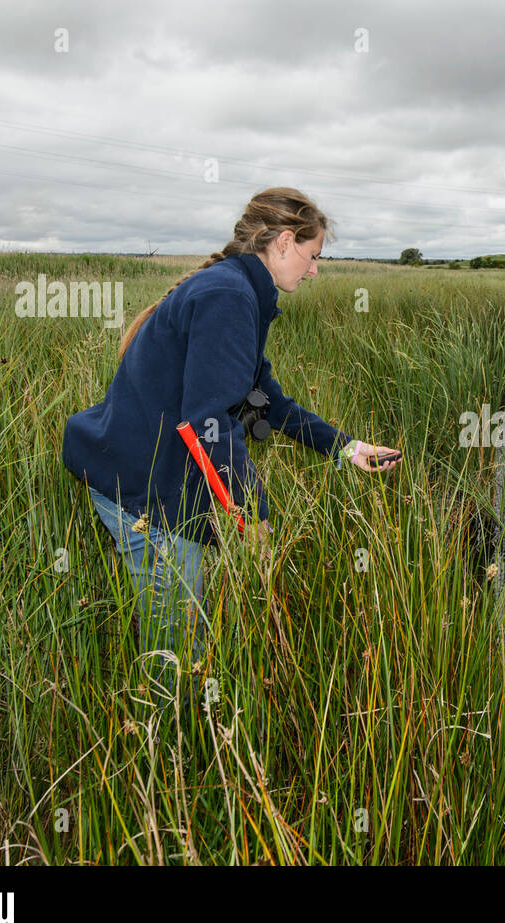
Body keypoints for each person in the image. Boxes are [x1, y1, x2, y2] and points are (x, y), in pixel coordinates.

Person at [61, 187, 399, 692]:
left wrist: (348, 448)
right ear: (284, 242)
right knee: (179, 654)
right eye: (313, 256)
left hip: (136, 475)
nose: (314, 270)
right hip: (146, 495)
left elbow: (269, 402)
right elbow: (207, 421)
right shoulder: (229, 296)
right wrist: (253, 517)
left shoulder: (237, 292)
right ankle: (169, 749)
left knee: (176, 632)